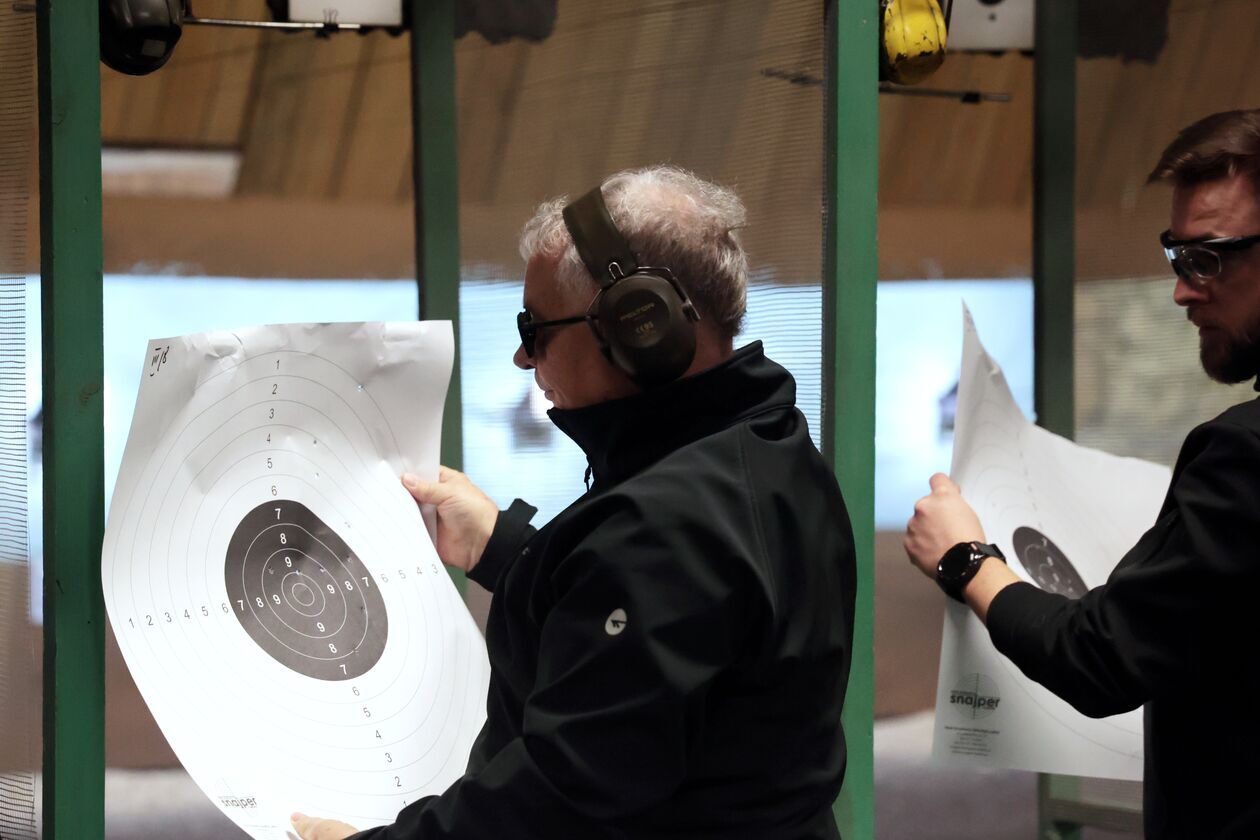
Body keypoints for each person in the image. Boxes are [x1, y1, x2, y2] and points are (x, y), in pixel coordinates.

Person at [293, 165, 857, 840]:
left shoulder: (668, 525)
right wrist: (506, 552)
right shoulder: (767, 447)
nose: (525, 360)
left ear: (637, 326)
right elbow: (673, 629)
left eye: (536, 329)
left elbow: (566, 791)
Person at [904, 108, 1260, 839]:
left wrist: (968, 560)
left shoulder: (1243, 456)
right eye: (1176, 254)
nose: (1183, 290)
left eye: (1210, 256)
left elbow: (1099, 660)